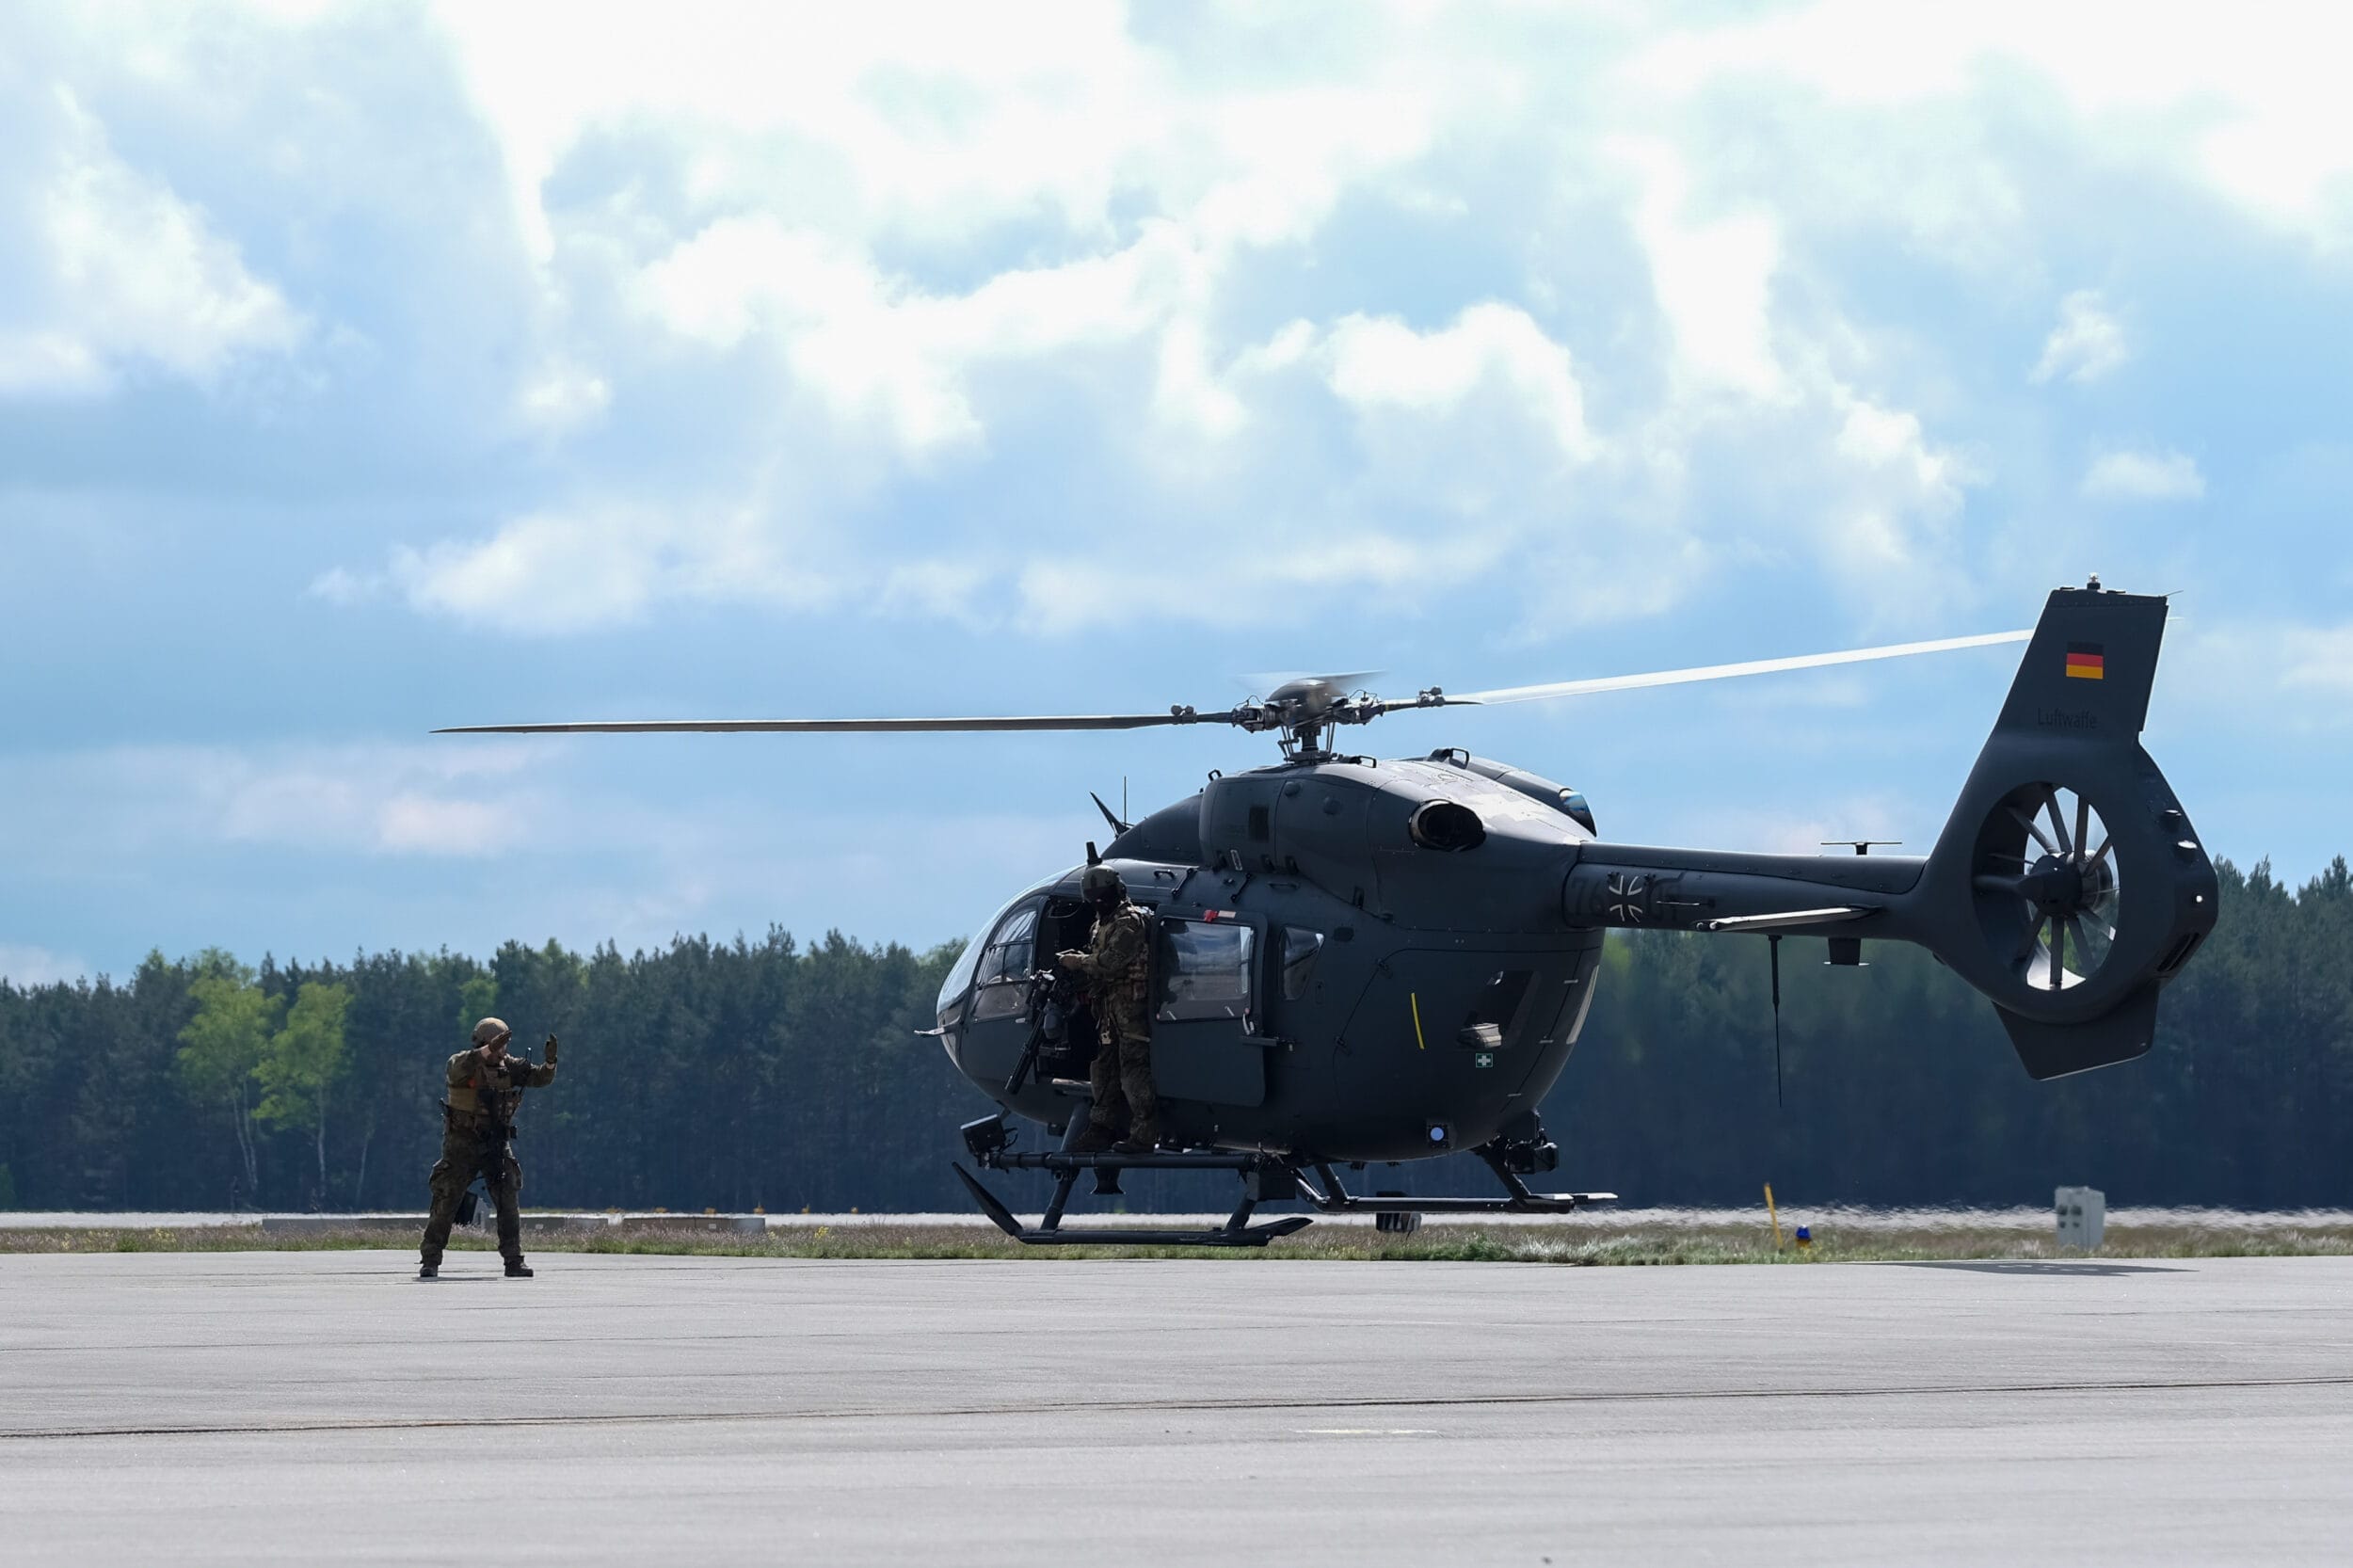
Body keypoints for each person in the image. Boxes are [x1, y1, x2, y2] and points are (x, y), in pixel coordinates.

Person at [419, 1017, 558, 1279]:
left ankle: (514, 1260)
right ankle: (430, 1259)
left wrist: (550, 1062)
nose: (503, 1051)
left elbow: (539, 1078)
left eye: (504, 1044)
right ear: (483, 1043)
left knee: (508, 1198)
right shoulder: (462, 1063)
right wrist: (486, 1051)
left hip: (495, 1142)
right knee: (447, 1198)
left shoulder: (509, 1067)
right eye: (498, 1044)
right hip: (462, 1143)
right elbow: (454, 1070)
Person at [1055, 864, 1160, 1152]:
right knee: (1104, 1070)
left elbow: (1110, 962)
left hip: (1132, 1011)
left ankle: (1143, 1136)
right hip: (1110, 1012)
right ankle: (1100, 1128)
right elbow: (1099, 963)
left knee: (1134, 1073)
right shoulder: (1101, 925)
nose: (1099, 903)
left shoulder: (1130, 922)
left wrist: (1079, 962)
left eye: (1103, 896)